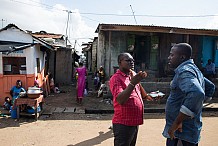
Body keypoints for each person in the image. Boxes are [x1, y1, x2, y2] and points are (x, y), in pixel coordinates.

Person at [162, 43, 215, 146]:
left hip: (181, 132)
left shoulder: (184, 71)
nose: (169, 58)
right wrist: (196, 106)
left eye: (172, 55)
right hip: (188, 130)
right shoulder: (193, 69)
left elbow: (197, 93)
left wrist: (178, 121)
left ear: (182, 57)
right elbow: (210, 87)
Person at [109, 52, 152, 146]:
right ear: (120, 62)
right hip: (123, 122)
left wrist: (146, 96)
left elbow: (138, 87)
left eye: (132, 60)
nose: (131, 62)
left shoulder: (132, 74)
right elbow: (120, 100)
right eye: (128, 60)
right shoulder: (116, 78)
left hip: (134, 121)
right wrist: (132, 83)